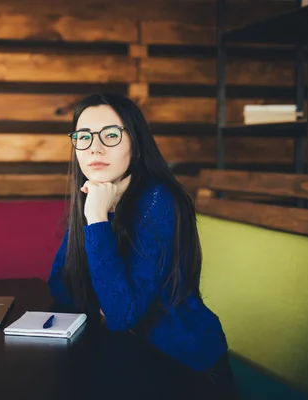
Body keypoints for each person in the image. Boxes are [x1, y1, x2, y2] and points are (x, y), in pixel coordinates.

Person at [48, 92, 235, 393]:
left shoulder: (160, 200)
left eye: (110, 135)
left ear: (135, 141)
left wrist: (97, 217)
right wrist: (104, 305)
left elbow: (121, 315)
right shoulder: (94, 194)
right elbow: (60, 282)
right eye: (83, 137)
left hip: (184, 364)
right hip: (127, 350)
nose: (94, 147)